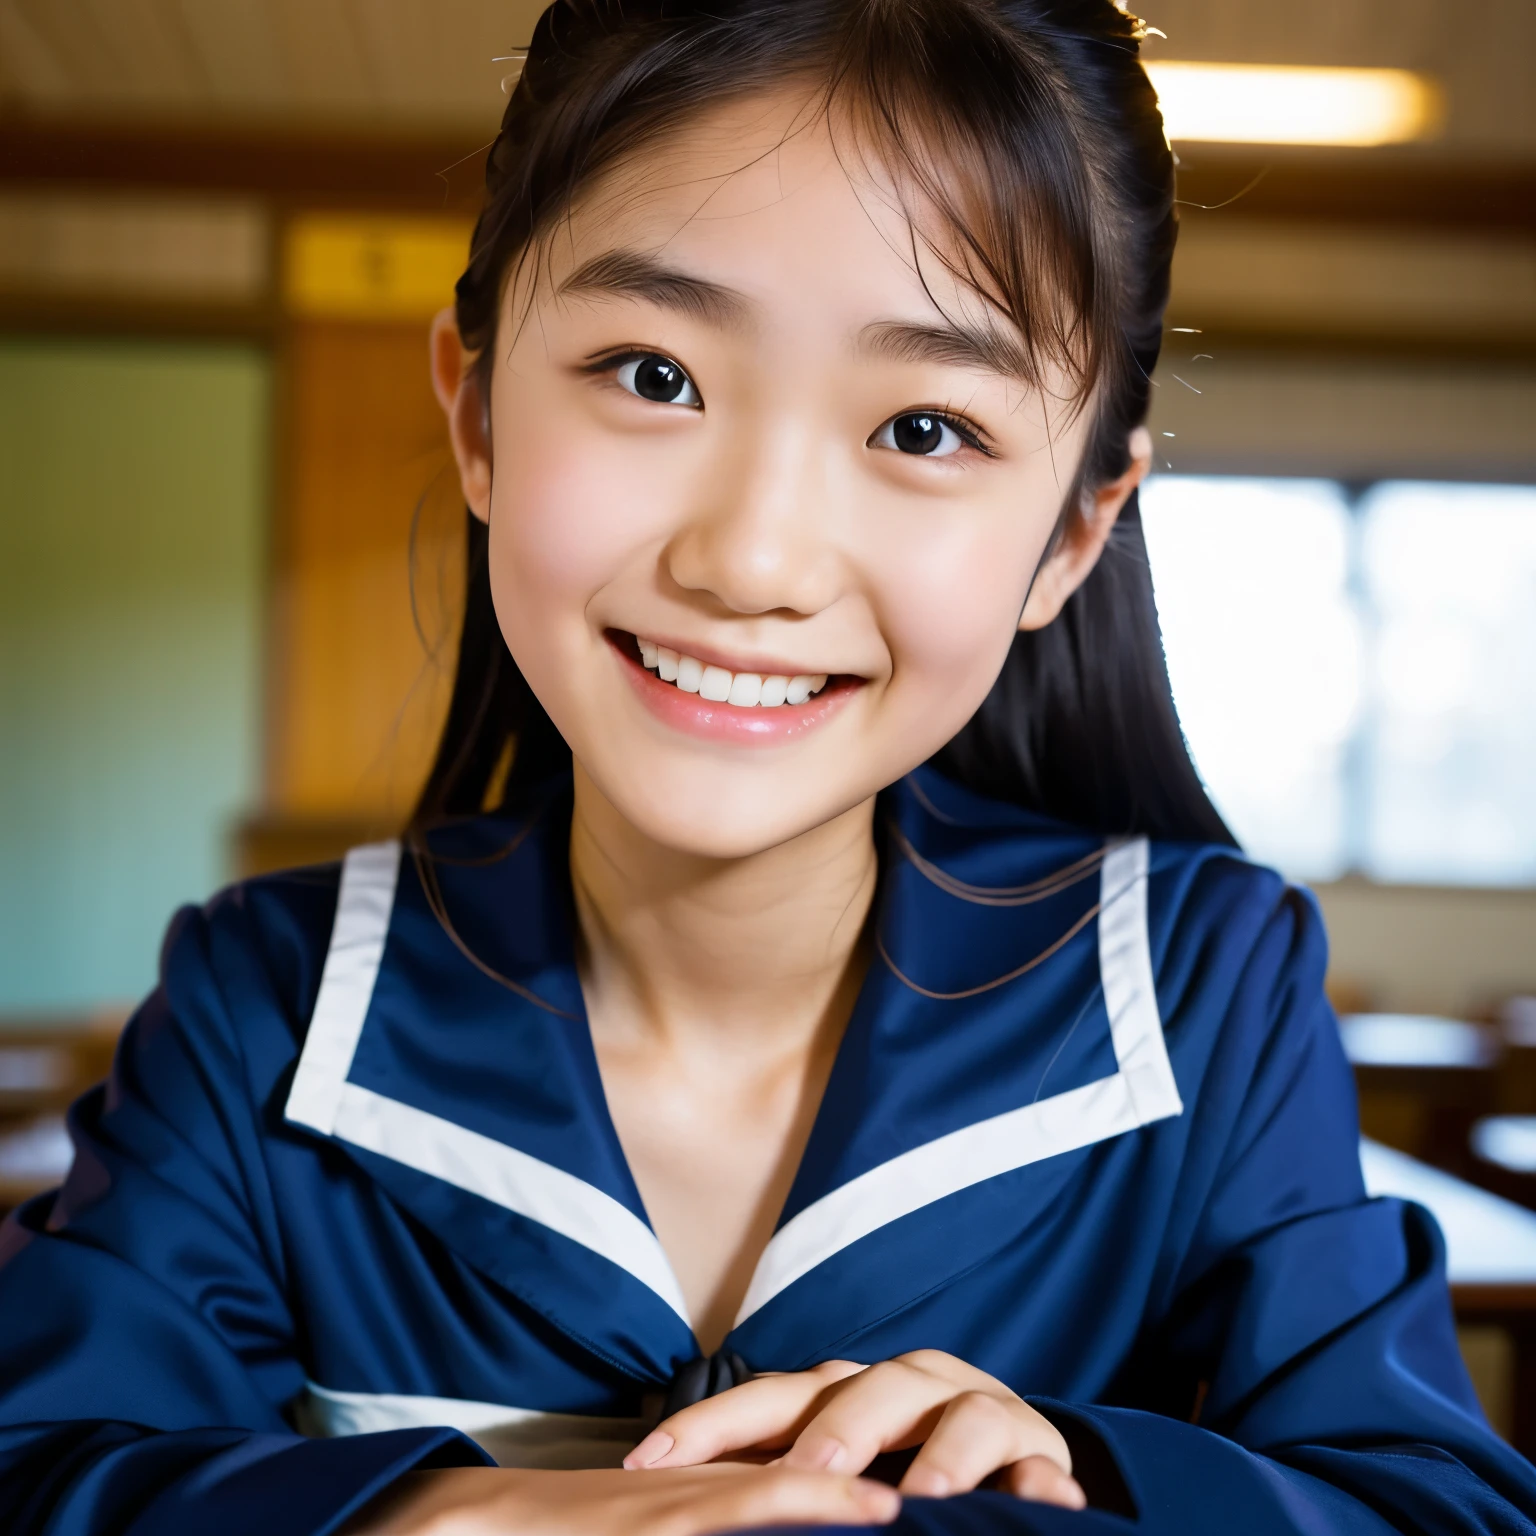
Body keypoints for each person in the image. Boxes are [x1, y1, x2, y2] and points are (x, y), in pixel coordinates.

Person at [4, 1, 1534, 1532]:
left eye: (925, 425)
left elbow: (1431, 1507)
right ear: (474, 412)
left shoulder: (1203, 988)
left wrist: (1066, 1468)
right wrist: (461, 1516)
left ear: (1076, 527)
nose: (752, 558)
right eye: (652, 375)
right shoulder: (262, 1000)